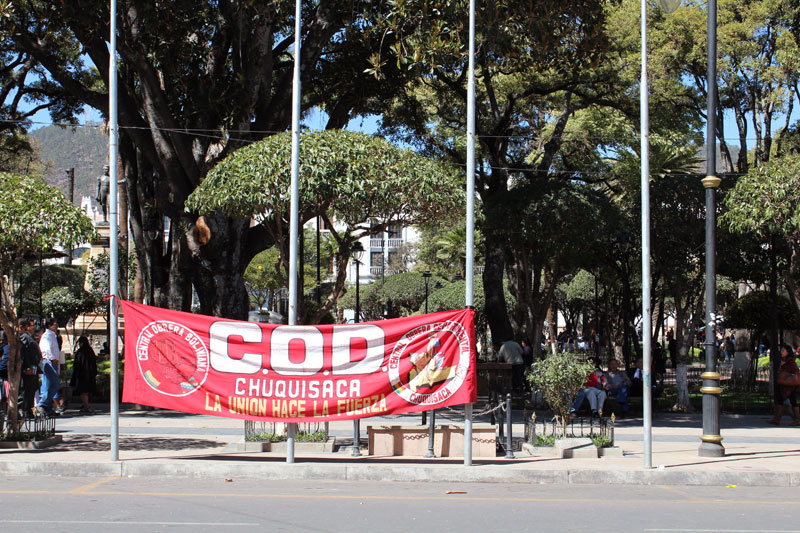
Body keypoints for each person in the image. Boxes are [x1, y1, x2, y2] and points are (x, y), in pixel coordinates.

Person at [767, 345, 799, 426]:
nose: (781, 352)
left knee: (792, 401)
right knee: (782, 400)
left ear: (788, 352)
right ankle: (777, 419)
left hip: (789, 386)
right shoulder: (785, 360)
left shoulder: (790, 360)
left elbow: (795, 370)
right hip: (785, 385)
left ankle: (796, 419)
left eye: (783, 351)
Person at [36, 317, 60, 416]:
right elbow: (46, 349)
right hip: (49, 362)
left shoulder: (52, 336)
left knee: (48, 385)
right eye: (55, 325)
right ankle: (42, 404)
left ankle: (47, 408)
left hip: (51, 362)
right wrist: (52, 358)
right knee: (54, 384)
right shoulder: (47, 336)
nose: (56, 327)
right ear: (50, 325)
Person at [18, 319, 41, 417]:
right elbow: (23, 353)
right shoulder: (24, 338)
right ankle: (24, 409)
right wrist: (26, 368)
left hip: (33, 367)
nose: (34, 327)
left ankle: (28, 409)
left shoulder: (30, 337)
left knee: (33, 387)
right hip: (29, 368)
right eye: (32, 325)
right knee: (28, 389)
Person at [70, 336, 97, 412]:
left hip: (82, 375)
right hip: (89, 374)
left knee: (83, 391)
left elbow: (77, 364)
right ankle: (85, 404)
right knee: (85, 391)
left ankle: (86, 406)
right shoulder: (90, 351)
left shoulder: (81, 351)